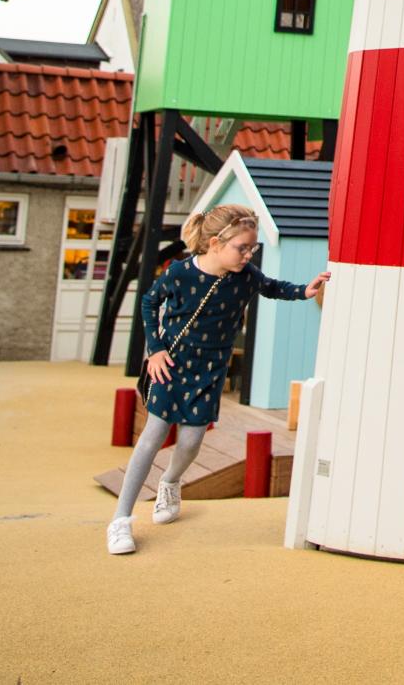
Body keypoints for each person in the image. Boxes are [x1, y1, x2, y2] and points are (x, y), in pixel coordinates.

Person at [109, 204, 327, 555]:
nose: (248, 254)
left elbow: (273, 287)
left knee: (193, 440)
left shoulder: (246, 276)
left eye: (252, 248)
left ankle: (170, 482)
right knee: (153, 436)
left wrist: (305, 290)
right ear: (214, 243)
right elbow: (150, 303)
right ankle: (120, 520)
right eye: (242, 247)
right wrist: (155, 349)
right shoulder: (179, 273)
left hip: (210, 369)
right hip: (171, 365)